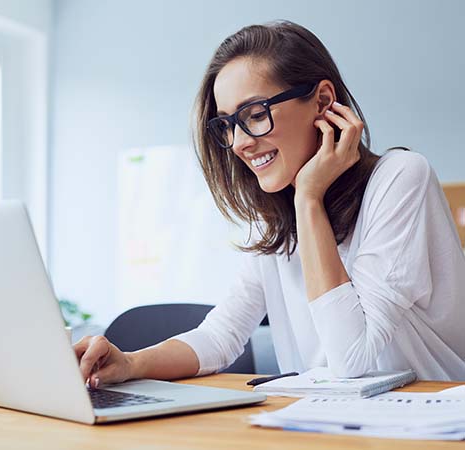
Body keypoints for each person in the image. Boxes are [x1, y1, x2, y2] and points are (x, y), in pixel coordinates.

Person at [74, 20, 465, 388]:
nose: (240, 142)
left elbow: (351, 360)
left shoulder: (400, 177)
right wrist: (130, 363)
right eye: (227, 124)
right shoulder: (277, 219)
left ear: (323, 101)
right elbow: (220, 335)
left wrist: (309, 197)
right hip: (324, 426)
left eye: (255, 114)